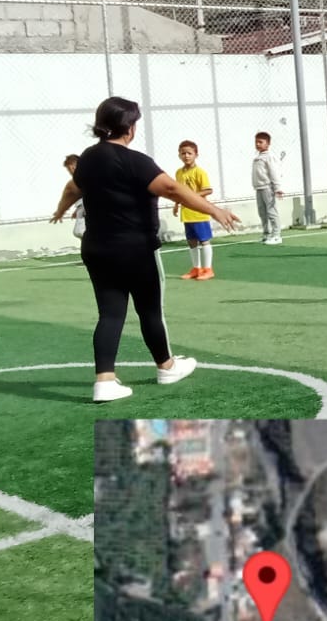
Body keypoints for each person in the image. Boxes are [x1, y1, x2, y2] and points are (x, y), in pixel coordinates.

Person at [51, 96, 240, 403]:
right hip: (135, 249)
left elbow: (73, 188)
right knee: (150, 310)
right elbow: (172, 188)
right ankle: (166, 367)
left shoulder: (88, 159)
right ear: (129, 127)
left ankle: (104, 381)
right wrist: (215, 210)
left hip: (96, 248)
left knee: (110, 314)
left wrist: (61, 209)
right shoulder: (134, 161)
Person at [174, 141, 216, 280]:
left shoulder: (200, 172)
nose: (186, 156)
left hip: (199, 212)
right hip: (186, 213)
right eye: (183, 153)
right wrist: (176, 204)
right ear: (179, 155)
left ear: (196, 155)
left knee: (204, 240)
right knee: (191, 241)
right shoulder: (179, 172)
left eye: (189, 153)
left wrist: (192, 196)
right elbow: (178, 191)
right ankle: (196, 268)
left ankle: (208, 269)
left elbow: (208, 190)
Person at [251, 132, 284, 245]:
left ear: (268, 144)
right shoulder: (258, 157)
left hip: (268, 188)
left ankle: (277, 235)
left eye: (260, 142)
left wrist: (277, 188)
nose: (258, 144)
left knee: (271, 211)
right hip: (259, 188)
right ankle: (267, 234)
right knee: (262, 212)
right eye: (256, 142)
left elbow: (274, 172)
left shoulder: (269, 157)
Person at [62, 154, 86, 239]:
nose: (70, 171)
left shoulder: (86, 177)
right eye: (68, 169)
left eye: (70, 168)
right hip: (82, 207)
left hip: (88, 208)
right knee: (79, 232)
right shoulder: (77, 180)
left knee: (80, 232)